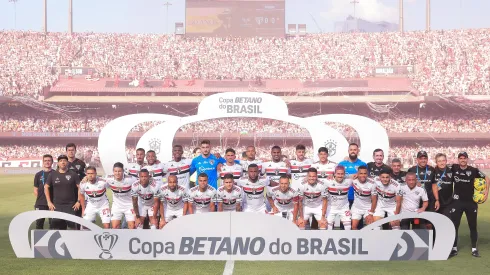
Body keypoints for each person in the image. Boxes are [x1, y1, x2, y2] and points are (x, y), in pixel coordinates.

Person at [448, 152, 489, 257]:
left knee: (472, 226)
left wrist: (486, 192)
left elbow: (487, 178)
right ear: (458, 159)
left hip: (471, 203)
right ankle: (454, 248)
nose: (462, 160)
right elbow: (441, 168)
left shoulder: (473, 170)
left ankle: (474, 249)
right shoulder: (453, 168)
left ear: (467, 159)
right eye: (460, 158)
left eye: (464, 158)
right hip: (457, 202)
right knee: (454, 226)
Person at [44, 155, 81, 230]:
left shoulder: (73, 174)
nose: (63, 162)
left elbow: (80, 187)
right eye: (60, 161)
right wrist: (49, 202)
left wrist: (78, 201)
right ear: (58, 163)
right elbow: (46, 187)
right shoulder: (53, 174)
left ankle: (72, 242)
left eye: (64, 160)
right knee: (57, 230)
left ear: (67, 162)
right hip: (56, 206)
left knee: (73, 229)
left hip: (71, 206)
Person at [407, 150, 436, 228]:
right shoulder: (411, 170)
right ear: (417, 159)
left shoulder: (432, 169)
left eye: (425, 158)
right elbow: (407, 185)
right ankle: (416, 240)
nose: (423, 160)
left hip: (429, 201)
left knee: (429, 225)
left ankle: (429, 240)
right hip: (416, 202)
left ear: (427, 159)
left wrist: (437, 200)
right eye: (421, 158)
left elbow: (434, 185)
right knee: (416, 224)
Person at [106, 162, 137, 229]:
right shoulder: (108, 179)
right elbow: (97, 180)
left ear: (123, 171)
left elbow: (141, 182)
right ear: (113, 171)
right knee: (115, 227)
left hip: (129, 205)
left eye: (119, 171)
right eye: (115, 171)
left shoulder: (131, 179)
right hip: (117, 206)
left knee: (132, 227)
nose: (117, 173)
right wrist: (86, 178)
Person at [338, 143, 367, 208]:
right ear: (348, 151)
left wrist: (359, 175)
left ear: (358, 151)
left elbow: (367, 180)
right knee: (344, 217)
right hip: (344, 197)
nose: (353, 151)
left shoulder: (363, 164)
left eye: (355, 150)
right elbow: (336, 178)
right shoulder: (341, 164)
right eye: (351, 150)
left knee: (357, 217)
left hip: (359, 197)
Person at [325, 166, 353, 230]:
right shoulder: (328, 181)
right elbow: (316, 180)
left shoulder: (349, 181)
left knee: (348, 228)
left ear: (344, 174)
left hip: (344, 208)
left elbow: (359, 175)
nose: (340, 176)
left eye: (342, 174)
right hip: (331, 208)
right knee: (328, 228)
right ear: (334, 174)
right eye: (338, 174)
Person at [350, 166, 377, 230]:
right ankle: (358, 239)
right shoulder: (353, 180)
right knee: (353, 227)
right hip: (356, 208)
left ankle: (369, 240)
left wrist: (371, 213)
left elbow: (374, 199)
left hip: (367, 208)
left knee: (371, 227)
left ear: (367, 174)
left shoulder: (372, 183)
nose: (363, 175)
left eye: (365, 173)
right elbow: (341, 177)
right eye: (361, 173)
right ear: (357, 174)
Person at [66, 143, 86, 229]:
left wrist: (85, 177)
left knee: (79, 216)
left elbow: (86, 174)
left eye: (72, 150)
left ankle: (79, 232)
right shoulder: (63, 163)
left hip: (79, 192)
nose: (71, 152)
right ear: (66, 151)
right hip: (67, 193)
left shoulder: (81, 163)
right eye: (69, 150)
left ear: (75, 151)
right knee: (67, 217)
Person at [33, 154, 54, 229]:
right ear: (43, 162)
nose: (47, 162)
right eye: (45, 161)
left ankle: (52, 241)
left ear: (52, 162)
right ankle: (39, 241)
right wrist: (41, 199)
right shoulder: (38, 175)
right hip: (40, 204)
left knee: (53, 225)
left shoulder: (55, 174)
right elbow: (35, 189)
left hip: (52, 204)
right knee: (39, 225)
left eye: (49, 160)